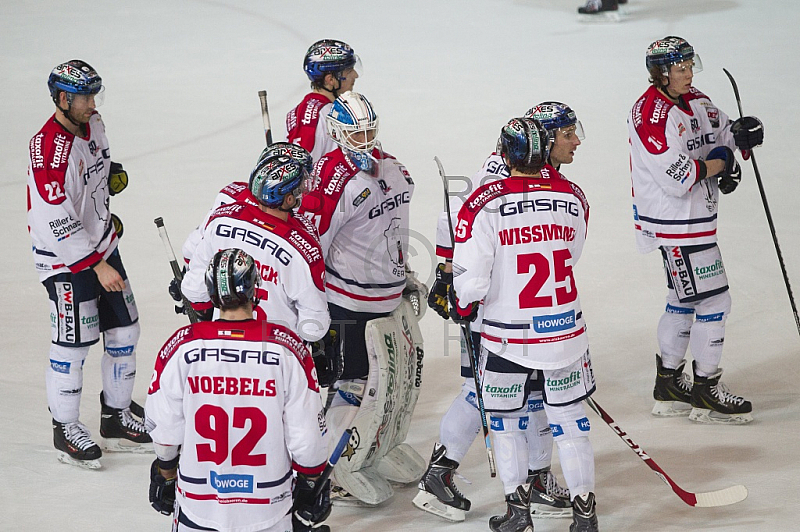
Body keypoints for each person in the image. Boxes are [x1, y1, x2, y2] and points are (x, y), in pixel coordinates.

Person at [414, 102, 584, 523]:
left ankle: (537, 478)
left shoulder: (542, 174)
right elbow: (450, 220)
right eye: (565, 134)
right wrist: (448, 275)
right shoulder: (499, 174)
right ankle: (440, 472)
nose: (574, 140)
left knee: (529, 397)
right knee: (485, 393)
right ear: (541, 141)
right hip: (491, 307)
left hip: (517, 306)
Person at [450, 118, 598, 531]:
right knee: (571, 426)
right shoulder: (572, 195)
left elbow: (472, 282)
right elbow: (573, 249)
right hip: (565, 333)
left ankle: (519, 515)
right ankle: (585, 517)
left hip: (507, 339)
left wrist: (461, 304)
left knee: (507, 425)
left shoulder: (484, 202)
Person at [298, 90, 426, 505]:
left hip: (388, 298)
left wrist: (403, 273)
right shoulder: (331, 180)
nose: (365, 140)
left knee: (392, 381)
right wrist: (313, 304)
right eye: (356, 133)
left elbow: (393, 228)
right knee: (350, 385)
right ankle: (326, 467)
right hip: (349, 304)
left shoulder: (393, 167)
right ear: (336, 132)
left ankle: (375, 449)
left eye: (370, 130)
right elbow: (312, 243)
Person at [146, 248, 331, 532]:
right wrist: (309, 484)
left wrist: (167, 473)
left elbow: (165, 428)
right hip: (268, 506)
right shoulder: (286, 348)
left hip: (199, 505)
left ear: (211, 292)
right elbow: (307, 439)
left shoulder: (183, 346)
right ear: (255, 289)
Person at [628, 36, 762, 424]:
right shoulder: (651, 115)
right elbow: (679, 176)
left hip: (693, 221)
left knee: (682, 300)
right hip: (677, 223)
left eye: (690, 66)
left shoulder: (695, 99)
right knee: (715, 302)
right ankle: (706, 390)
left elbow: (721, 133)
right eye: (680, 68)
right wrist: (722, 163)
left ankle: (669, 384)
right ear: (661, 72)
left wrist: (741, 134)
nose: (688, 74)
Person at [27, 59, 150, 469]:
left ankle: (115, 417)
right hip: (67, 262)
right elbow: (54, 217)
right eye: (84, 96)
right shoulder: (47, 149)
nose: (92, 103)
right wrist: (96, 265)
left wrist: (108, 178)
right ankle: (64, 428)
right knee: (73, 345)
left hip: (101, 246)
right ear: (62, 98)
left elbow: (94, 165)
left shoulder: (93, 123)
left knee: (125, 330)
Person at [180, 154, 331, 348]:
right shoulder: (302, 248)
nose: (304, 191)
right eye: (300, 187)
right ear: (289, 199)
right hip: (280, 356)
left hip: (224, 349)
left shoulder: (222, 220)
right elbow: (313, 327)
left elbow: (194, 289)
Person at [178, 142, 315, 267]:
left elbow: (192, 247)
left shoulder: (231, 192)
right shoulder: (290, 218)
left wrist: (189, 275)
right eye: (301, 178)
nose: (304, 185)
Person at [286, 39, 361, 162]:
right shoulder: (320, 117)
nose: (355, 75)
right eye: (349, 71)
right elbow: (300, 170)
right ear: (330, 80)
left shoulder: (305, 110)